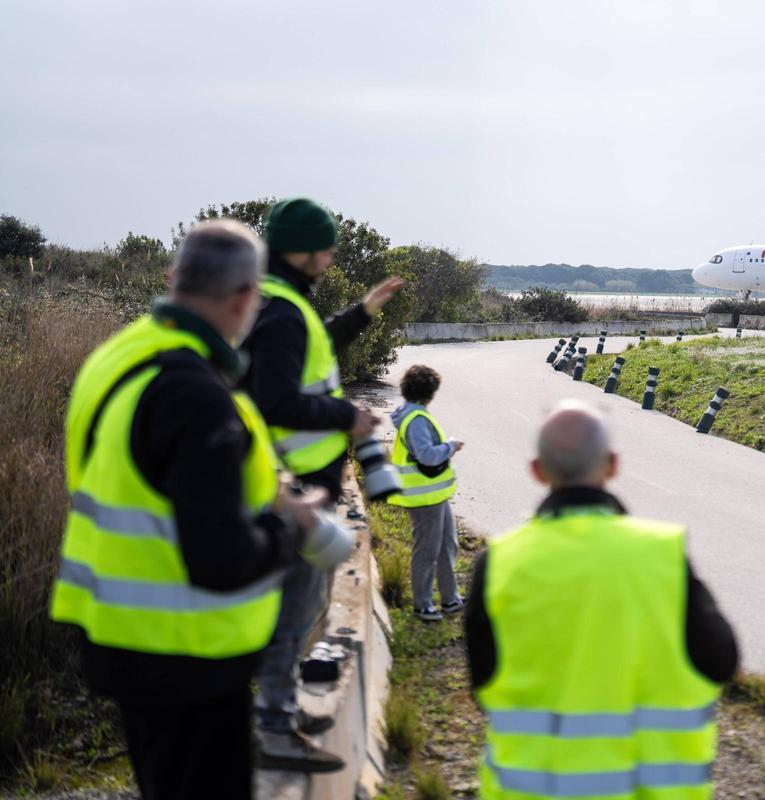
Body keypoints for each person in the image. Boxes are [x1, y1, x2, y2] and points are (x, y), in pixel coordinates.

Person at [49, 220, 329, 800]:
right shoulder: (194, 394)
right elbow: (220, 561)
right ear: (246, 296)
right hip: (188, 652)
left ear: (175, 278)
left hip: (119, 631)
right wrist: (289, 525)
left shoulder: (119, 354)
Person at [464, 401, 739, 799]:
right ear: (612, 465)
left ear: (537, 471)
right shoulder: (661, 556)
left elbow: (482, 683)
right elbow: (720, 661)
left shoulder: (500, 563)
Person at [241, 197, 405, 770]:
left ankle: (280, 714)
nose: (333, 257)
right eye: (327, 246)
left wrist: (362, 311)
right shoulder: (282, 311)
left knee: (299, 608)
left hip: (294, 484)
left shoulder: (282, 304)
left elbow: (310, 355)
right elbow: (276, 399)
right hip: (295, 490)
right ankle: (274, 730)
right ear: (302, 250)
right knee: (294, 609)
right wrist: (347, 418)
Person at [388, 364, 465, 621]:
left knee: (446, 546)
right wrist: (450, 447)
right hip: (423, 497)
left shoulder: (413, 414)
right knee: (427, 551)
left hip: (434, 495)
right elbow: (427, 455)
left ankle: (450, 599)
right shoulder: (417, 420)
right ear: (429, 392)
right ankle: (422, 605)